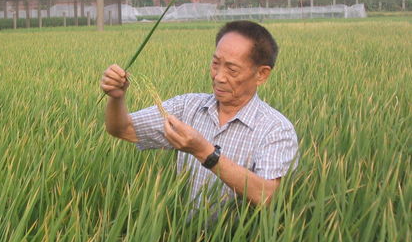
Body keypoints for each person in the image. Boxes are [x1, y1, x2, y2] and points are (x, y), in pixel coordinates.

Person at [100, 20, 298, 206]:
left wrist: (204, 152)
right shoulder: (188, 107)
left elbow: (268, 196)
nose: (218, 77)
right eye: (215, 64)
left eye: (232, 70)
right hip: (184, 237)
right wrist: (117, 98)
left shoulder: (276, 129)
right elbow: (122, 129)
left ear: (261, 74)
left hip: (242, 241)